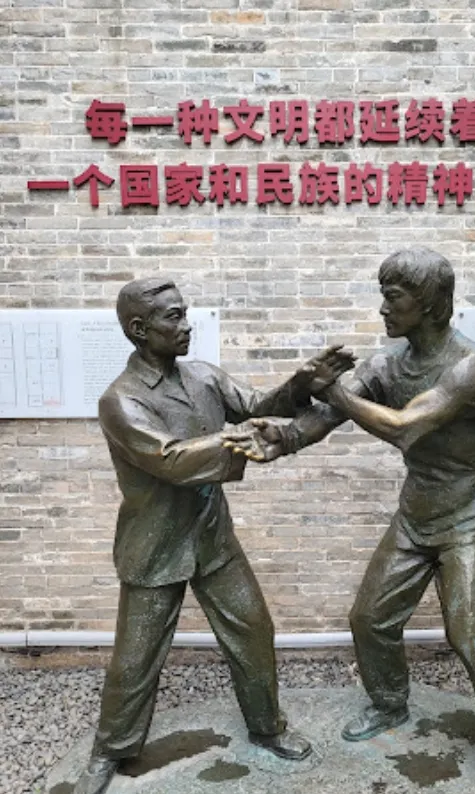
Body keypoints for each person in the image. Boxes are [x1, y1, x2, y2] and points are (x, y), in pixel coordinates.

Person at [240, 248, 475, 794]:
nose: (382, 308)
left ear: (428, 305)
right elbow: (329, 415)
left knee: (472, 638)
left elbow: (405, 427)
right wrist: (283, 438)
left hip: (470, 516)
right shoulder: (386, 364)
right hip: (416, 513)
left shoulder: (473, 365)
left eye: (393, 297)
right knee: (370, 618)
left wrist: (331, 389)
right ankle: (389, 704)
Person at [73, 277, 355, 794]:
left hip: (211, 539)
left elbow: (253, 402)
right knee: (135, 660)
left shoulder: (202, 377)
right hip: (155, 547)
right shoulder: (120, 401)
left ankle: (267, 728)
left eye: (185, 314)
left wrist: (300, 385)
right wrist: (246, 438)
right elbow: (171, 460)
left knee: (253, 630)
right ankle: (109, 750)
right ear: (139, 329)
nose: (186, 325)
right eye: (173, 317)